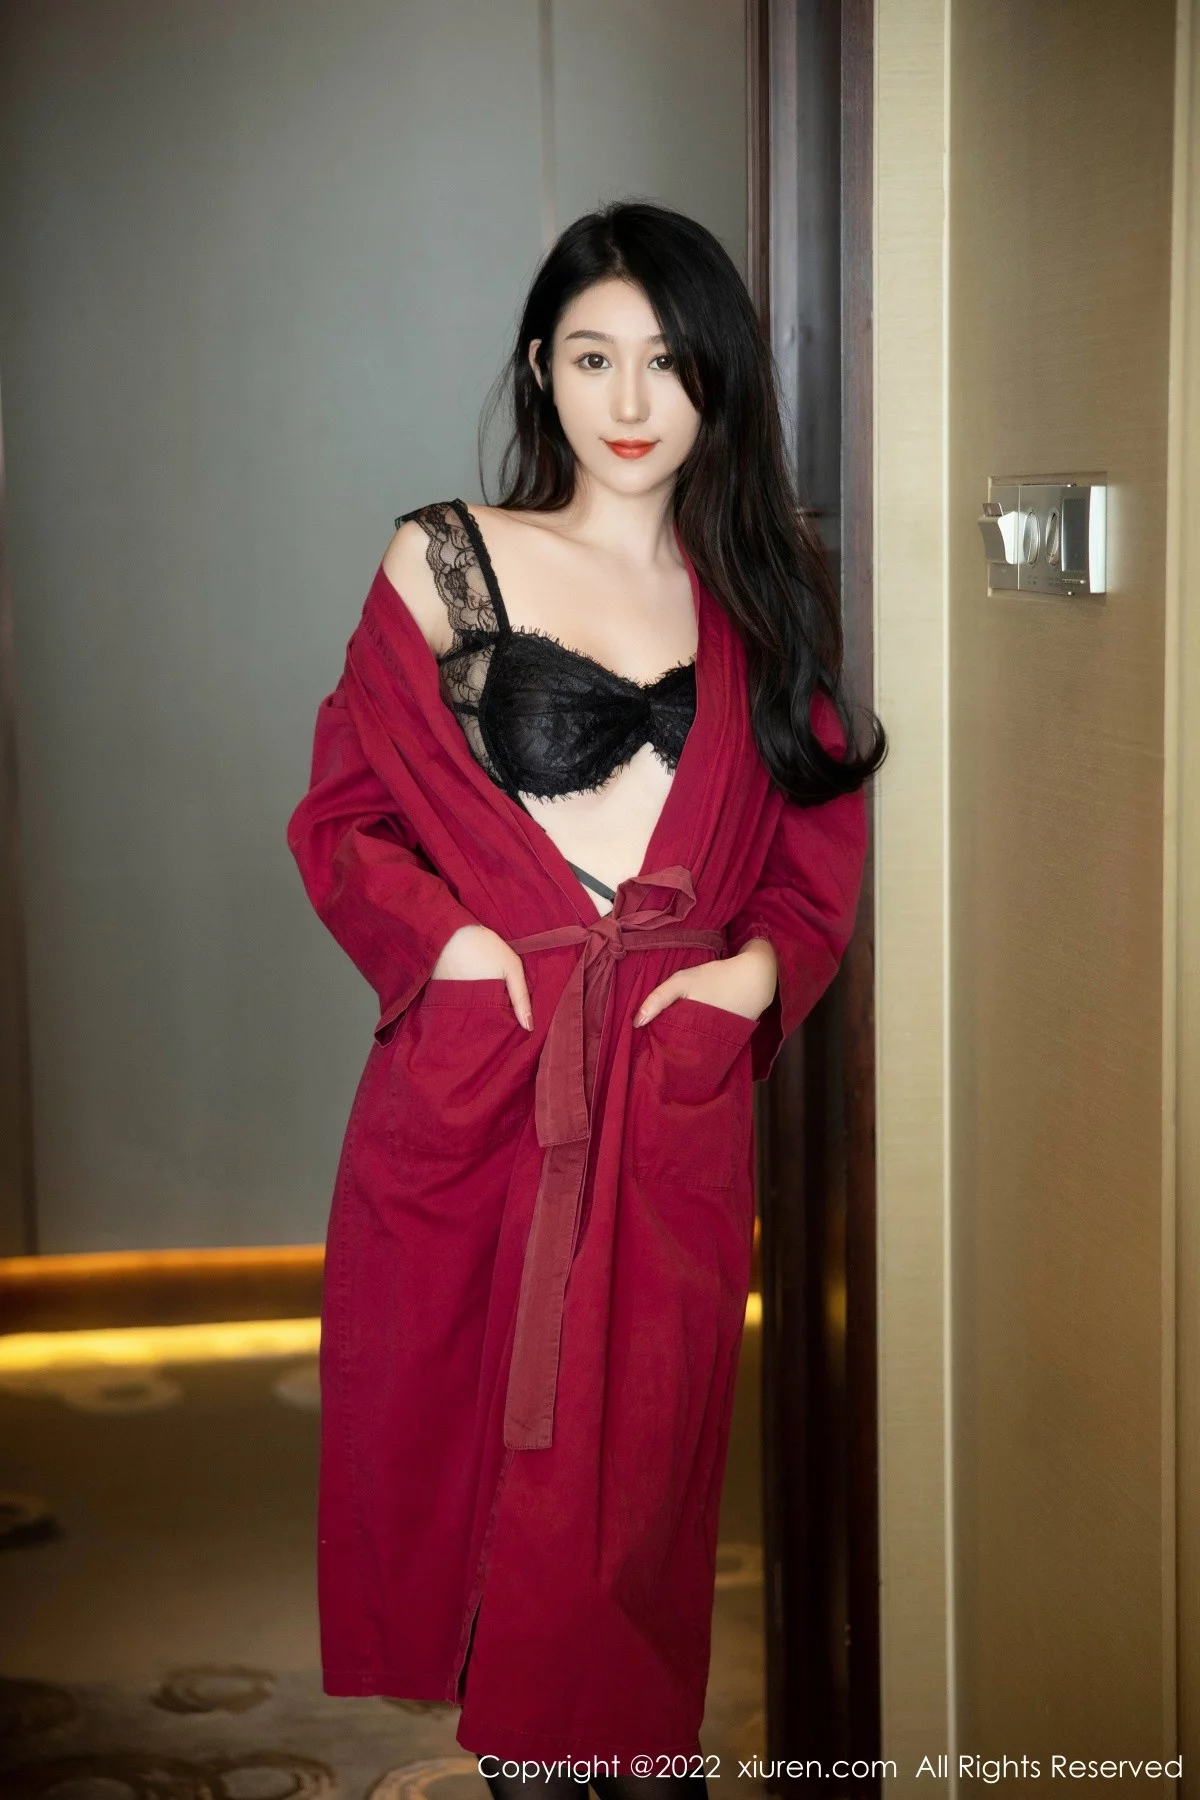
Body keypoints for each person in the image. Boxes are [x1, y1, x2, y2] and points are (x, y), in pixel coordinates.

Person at [287, 201, 886, 1800]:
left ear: (719, 379)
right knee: (467, 1468)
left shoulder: (764, 595)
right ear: (539, 369)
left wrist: (751, 977)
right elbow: (345, 817)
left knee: (635, 1498)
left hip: (664, 1104)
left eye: (668, 362)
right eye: (591, 358)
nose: (630, 402)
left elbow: (814, 853)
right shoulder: (445, 560)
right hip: (485, 1084)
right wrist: (453, 952)